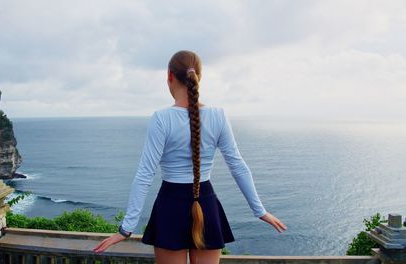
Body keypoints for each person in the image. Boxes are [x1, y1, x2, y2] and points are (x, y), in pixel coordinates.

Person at [93, 50, 287, 263]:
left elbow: (145, 175)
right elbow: (237, 166)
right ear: (199, 77)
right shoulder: (218, 116)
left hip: (170, 205)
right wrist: (260, 210)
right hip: (206, 204)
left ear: (169, 76)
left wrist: (126, 229)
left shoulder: (161, 119)